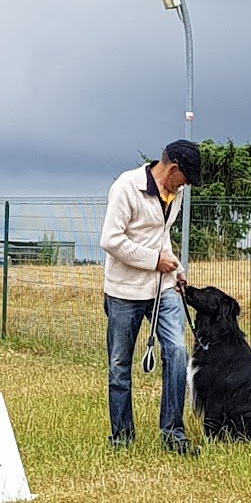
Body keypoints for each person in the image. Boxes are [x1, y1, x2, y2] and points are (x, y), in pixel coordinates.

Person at [99, 139, 202, 456]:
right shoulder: (127, 187)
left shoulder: (176, 193)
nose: (185, 185)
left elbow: (162, 235)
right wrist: (154, 260)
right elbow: (110, 240)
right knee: (120, 364)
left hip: (163, 287)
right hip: (124, 291)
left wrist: (176, 269)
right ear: (173, 169)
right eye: (185, 178)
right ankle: (122, 437)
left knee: (177, 352)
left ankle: (173, 433)